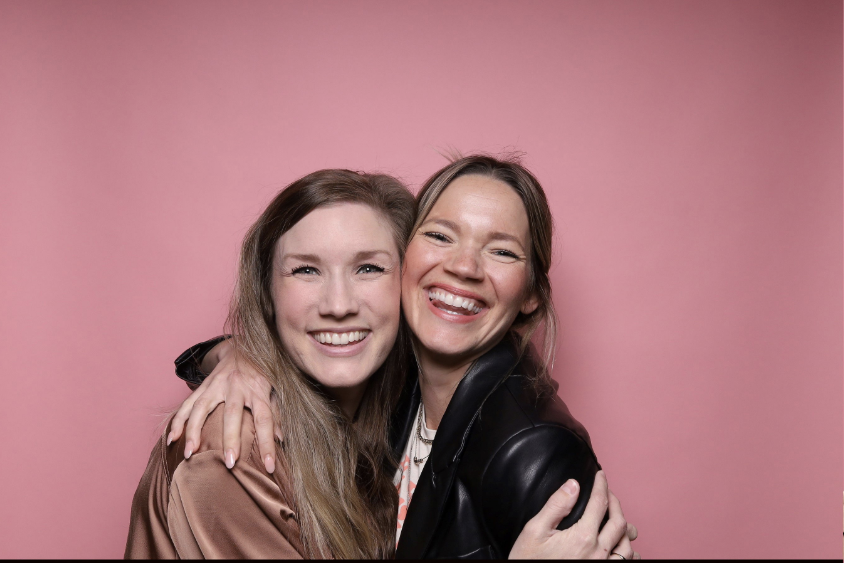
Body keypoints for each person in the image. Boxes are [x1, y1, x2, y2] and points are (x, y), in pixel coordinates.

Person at [167, 155, 640, 559]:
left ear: (532, 294)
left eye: (501, 251)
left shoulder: (535, 451)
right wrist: (238, 357)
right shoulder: (392, 386)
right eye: (440, 236)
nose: (463, 267)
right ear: (409, 260)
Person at [126, 170, 415, 558]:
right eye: (306, 270)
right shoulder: (235, 448)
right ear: (267, 295)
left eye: (368, 268)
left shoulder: (398, 415)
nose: (339, 305)